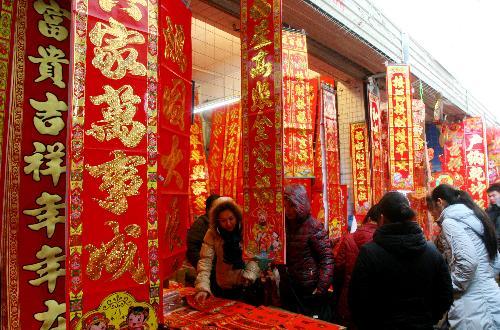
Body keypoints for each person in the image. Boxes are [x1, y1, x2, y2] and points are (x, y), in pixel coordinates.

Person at [349, 191, 453, 330]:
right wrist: (428, 318)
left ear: (381, 218)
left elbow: (357, 300)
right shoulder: (431, 251)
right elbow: (445, 295)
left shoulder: (369, 253)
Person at [431, 184, 500, 329]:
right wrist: (484, 279)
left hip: (472, 305)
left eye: (431, 209)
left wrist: (452, 287)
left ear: (439, 202)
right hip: (492, 295)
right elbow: (496, 260)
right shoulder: (476, 217)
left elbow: (468, 262)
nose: (432, 214)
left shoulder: (450, 222)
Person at [279, 184, 334, 321]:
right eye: (286, 206)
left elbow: (326, 258)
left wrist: (321, 287)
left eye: (292, 206)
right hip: (288, 284)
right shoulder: (282, 224)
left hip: (308, 287)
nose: (289, 210)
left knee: (308, 321)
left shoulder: (314, 226)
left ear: (300, 204)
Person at [194, 197, 260, 303]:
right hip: (223, 286)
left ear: (237, 216)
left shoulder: (247, 229)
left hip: (246, 286)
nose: (228, 224)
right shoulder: (213, 233)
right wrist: (202, 287)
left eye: (231, 219)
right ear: (217, 221)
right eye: (223, 221)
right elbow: (205, 261)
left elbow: (257, 254)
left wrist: (250, 274)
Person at [333, 204, 381, 327]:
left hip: (349, 301)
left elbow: (338, 268)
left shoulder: (348, 239)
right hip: (377, 304)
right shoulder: (384, 241)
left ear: (369, 218)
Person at [186, 194, 220, 268]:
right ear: (208, 209)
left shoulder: (220, 222)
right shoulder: (200, 223)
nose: (218, 210)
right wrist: (203, 267)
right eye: (215, 207)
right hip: (207, 268)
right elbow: (191, 249)